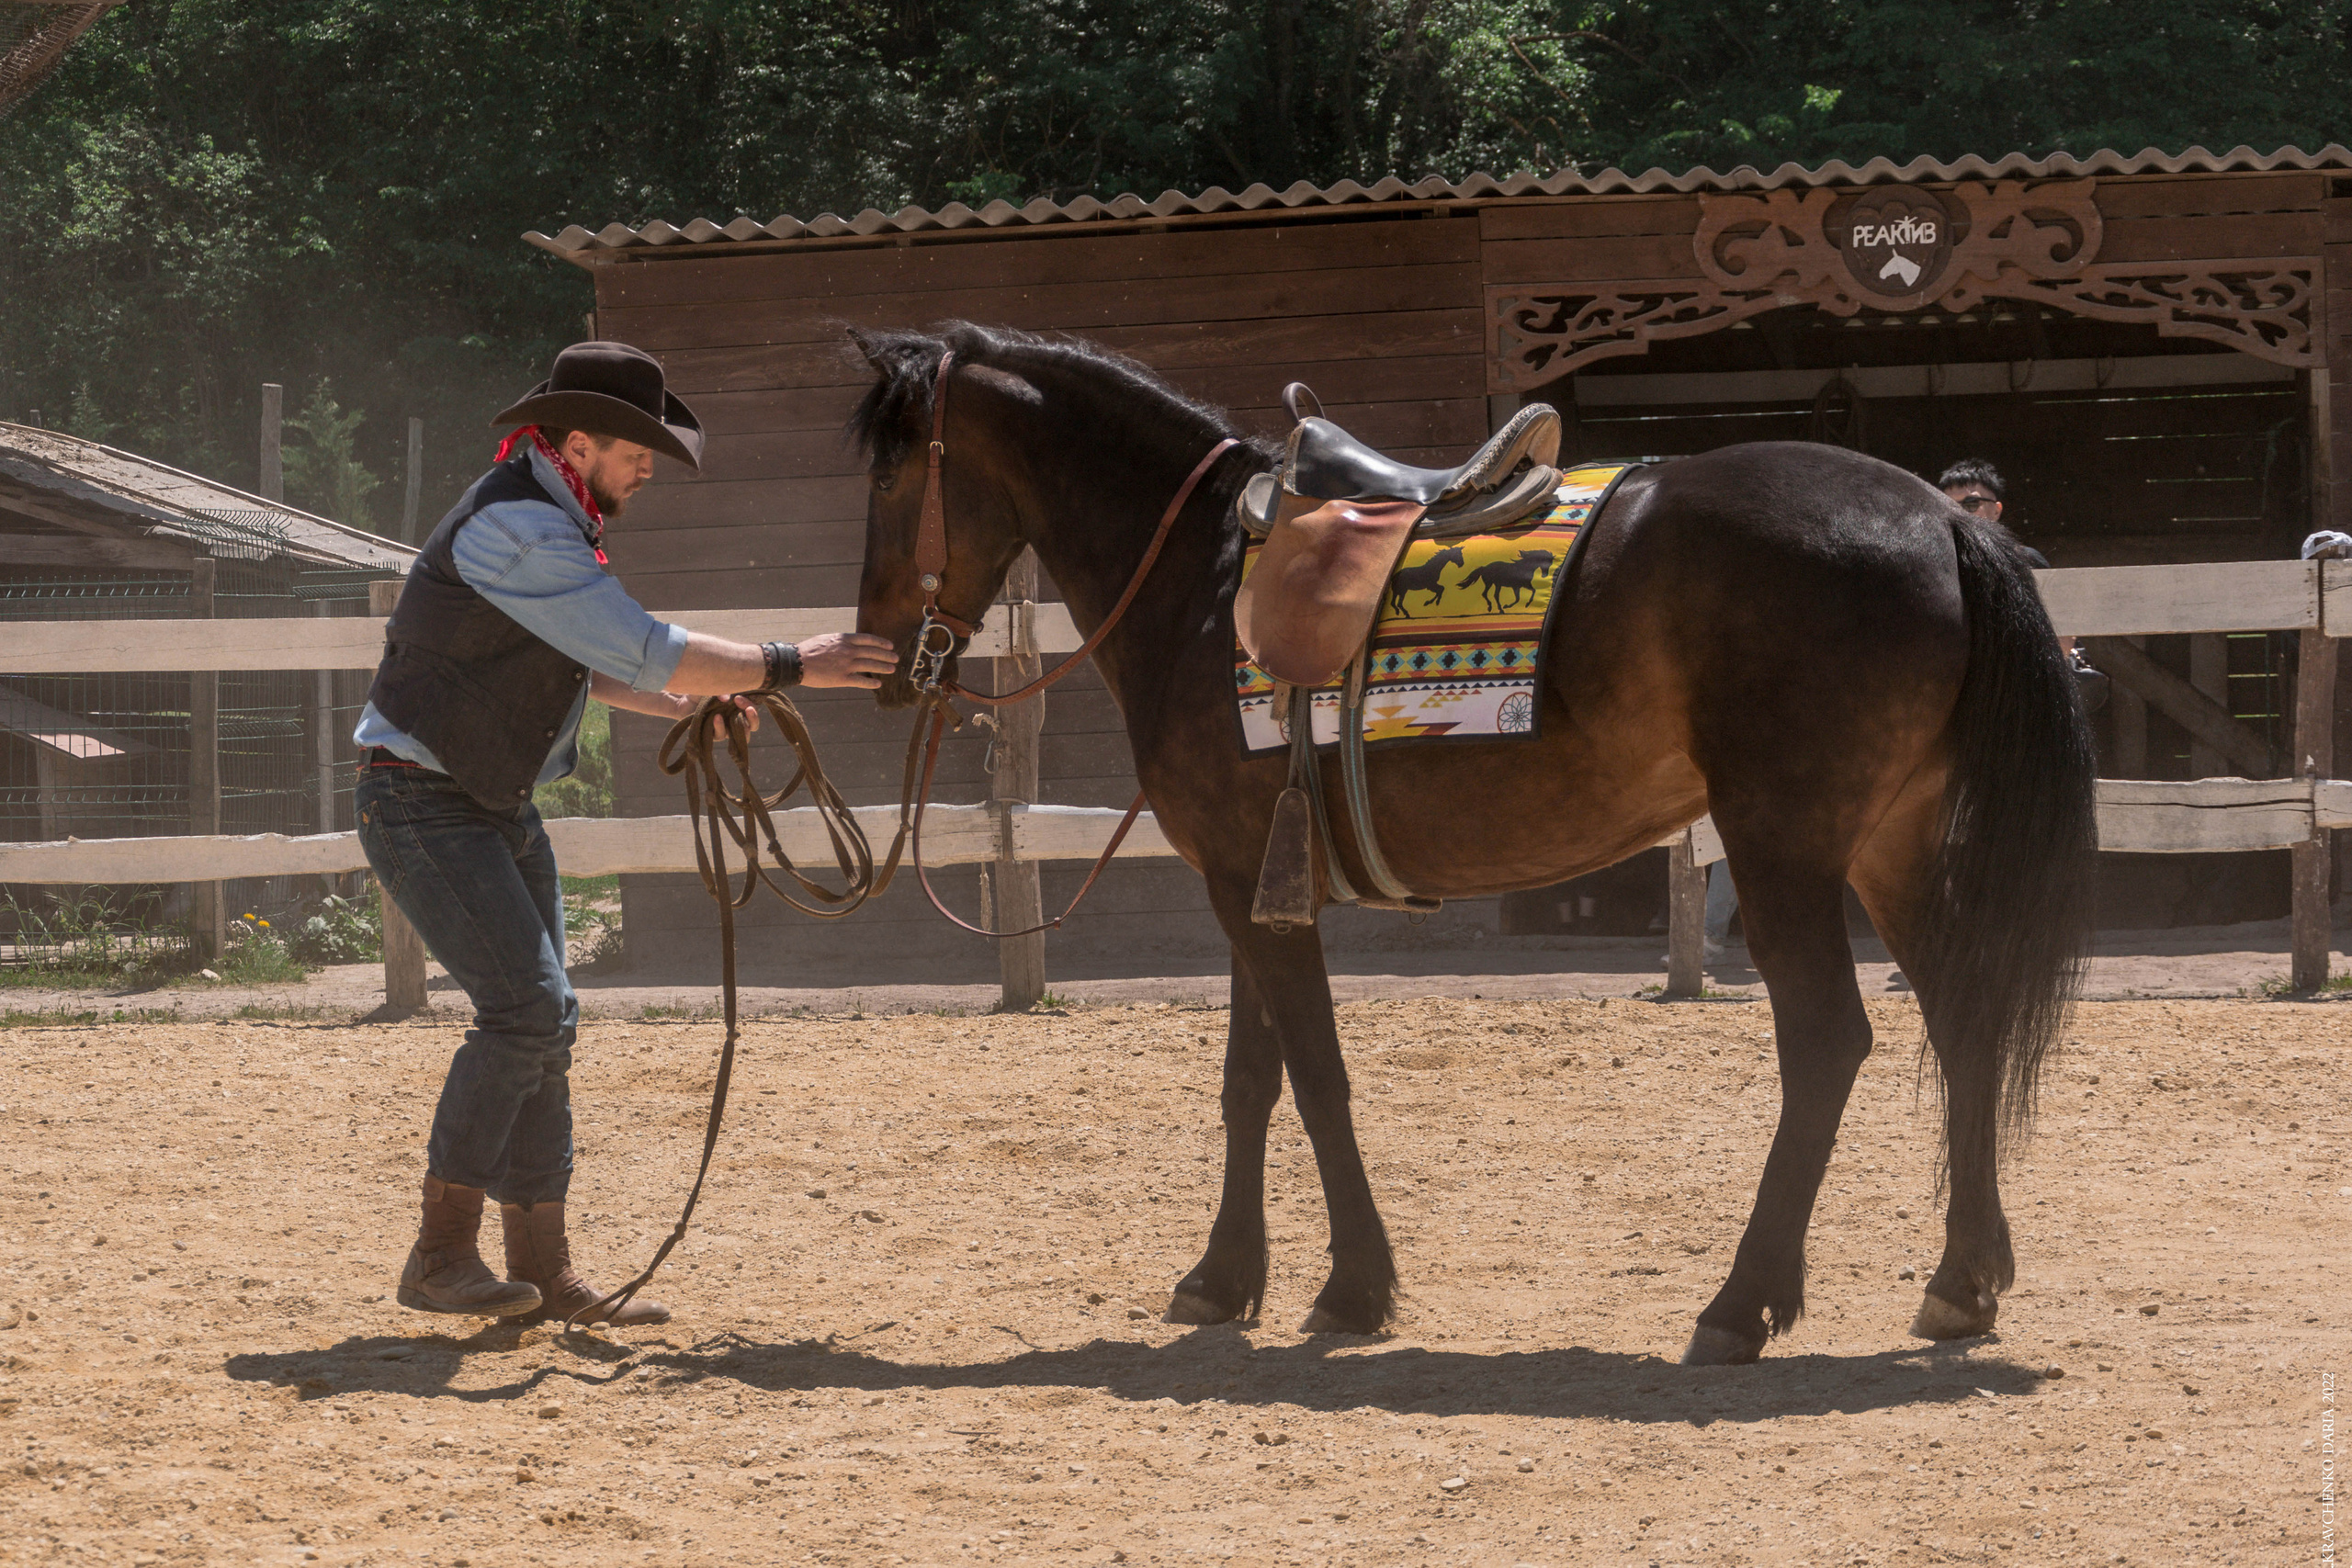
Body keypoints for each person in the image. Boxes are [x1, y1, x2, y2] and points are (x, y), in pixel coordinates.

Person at [355, 341, 898, 1324]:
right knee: (529, 1009)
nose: (648, 468)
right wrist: (792, 662)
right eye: (636, 451)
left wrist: (689, 705)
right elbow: (644, 648)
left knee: (546, 1021)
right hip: (423, 800)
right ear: (577, 445)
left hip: (477, 799)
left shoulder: (545, 517)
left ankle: (543, 1272)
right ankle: (440, 1255)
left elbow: (590, 666)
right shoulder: (522, 529)